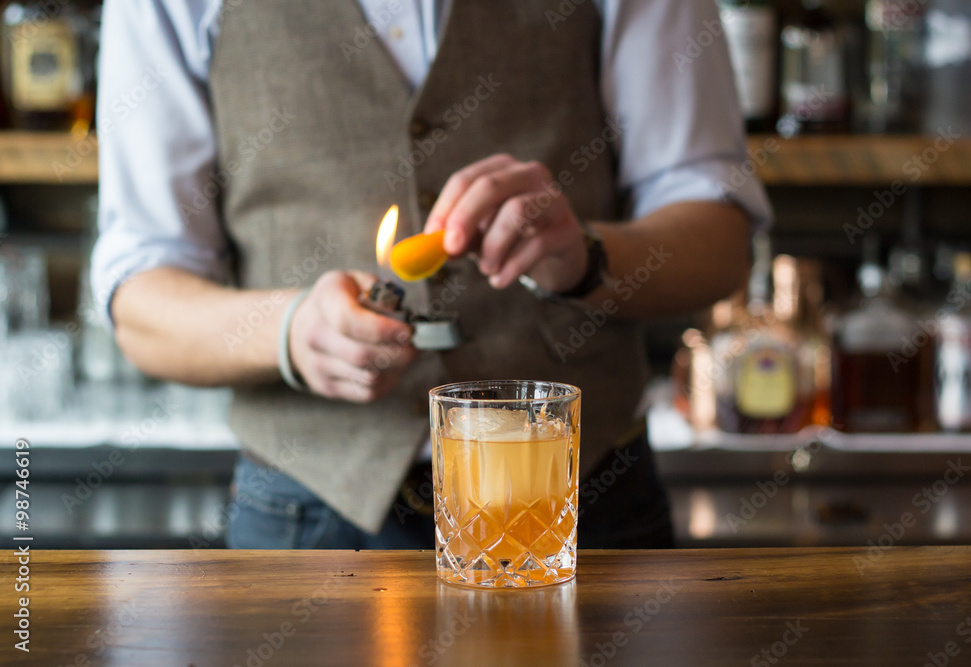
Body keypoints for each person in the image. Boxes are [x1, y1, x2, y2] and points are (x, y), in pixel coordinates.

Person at [93, 0, 772, 550]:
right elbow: (143, 303)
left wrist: (588, 258)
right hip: (310, 515)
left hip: (578, 501)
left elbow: (719, 244)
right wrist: (291, 330)